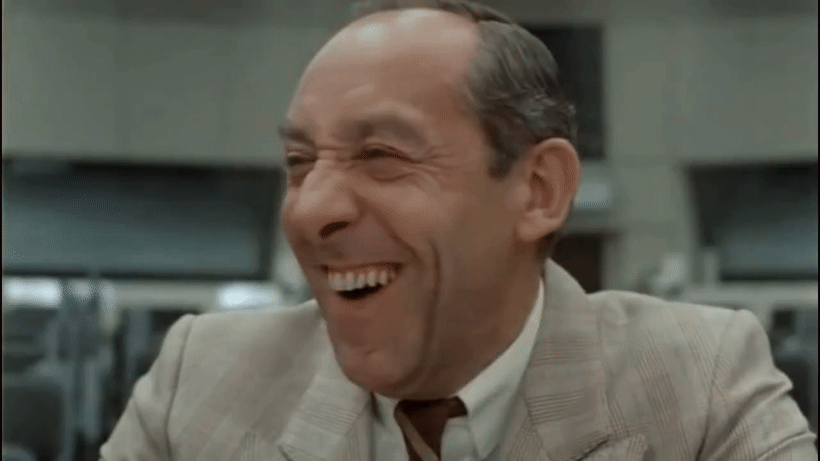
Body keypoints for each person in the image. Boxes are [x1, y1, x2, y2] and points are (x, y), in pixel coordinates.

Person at [101, 1, 818, 460]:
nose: (309, 210)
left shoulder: (701, 381)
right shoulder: (199, 379)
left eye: (381, 155)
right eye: (299, 162)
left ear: (538, 191)